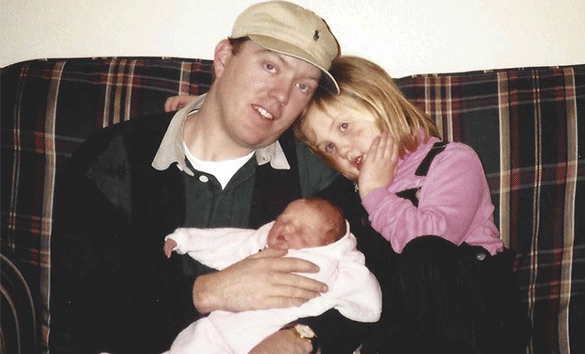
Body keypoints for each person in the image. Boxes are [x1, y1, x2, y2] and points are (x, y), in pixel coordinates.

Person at [50, 2, 375, 354]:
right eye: (270, 66)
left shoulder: (316, 172)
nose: (281, 95)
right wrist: (208, 291)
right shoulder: (112, 159)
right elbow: (83, 315)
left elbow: (369, 284)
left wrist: (301, 338)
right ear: (223, 58)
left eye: (303, 86)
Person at [290, 56, 531, 353]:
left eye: (344, 127)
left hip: (481, 320)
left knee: (424, 253)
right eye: (329, 147)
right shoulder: (352, 194)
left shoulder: (451, 160)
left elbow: (432, 242)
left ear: (381, 104)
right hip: (409, 331)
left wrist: (375, 194)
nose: (343, 149)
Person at [163, 198, 382, 354]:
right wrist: (185, 239)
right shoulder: (259, 245)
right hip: (216, 330)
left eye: (301, 231)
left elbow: (370, 304)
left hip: (268, 338)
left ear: (329, 245)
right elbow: (226, 241)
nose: (285, 229)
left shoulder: (335, 267)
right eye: (282, 220)